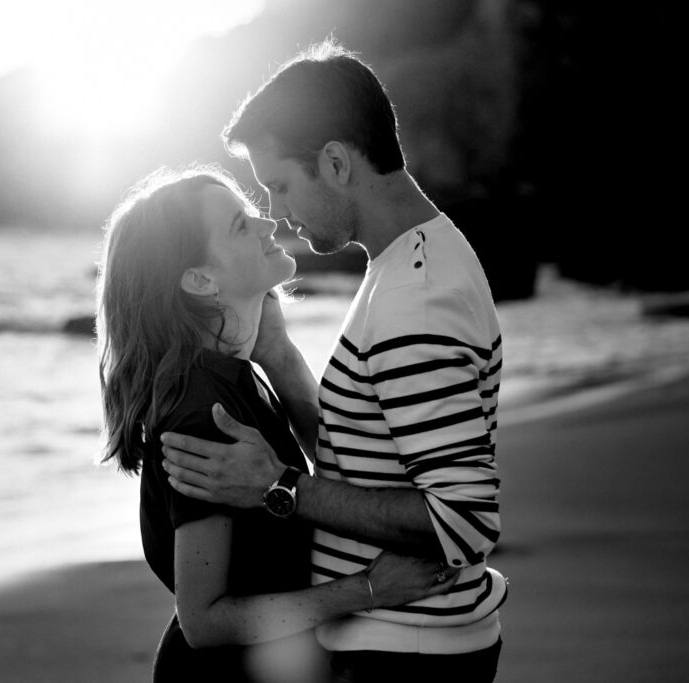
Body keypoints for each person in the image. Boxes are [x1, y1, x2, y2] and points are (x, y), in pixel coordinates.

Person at [159, 41, 507, 681]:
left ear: (338, 163)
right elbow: (370, 459)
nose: (277, 213)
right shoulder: (409, 262)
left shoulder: (415, 300)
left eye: (281, 186)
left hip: (407, 656)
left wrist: (278, 487)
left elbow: (463, 520)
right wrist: (283, 361)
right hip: (405, 644)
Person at [96, 165, 459, 683]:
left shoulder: (236, 377)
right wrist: (370, 587)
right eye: (241, 225)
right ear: (201, 279)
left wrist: (279, 354)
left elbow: (344, 467)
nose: (266, 223)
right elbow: (204, 620)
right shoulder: (205, 410)